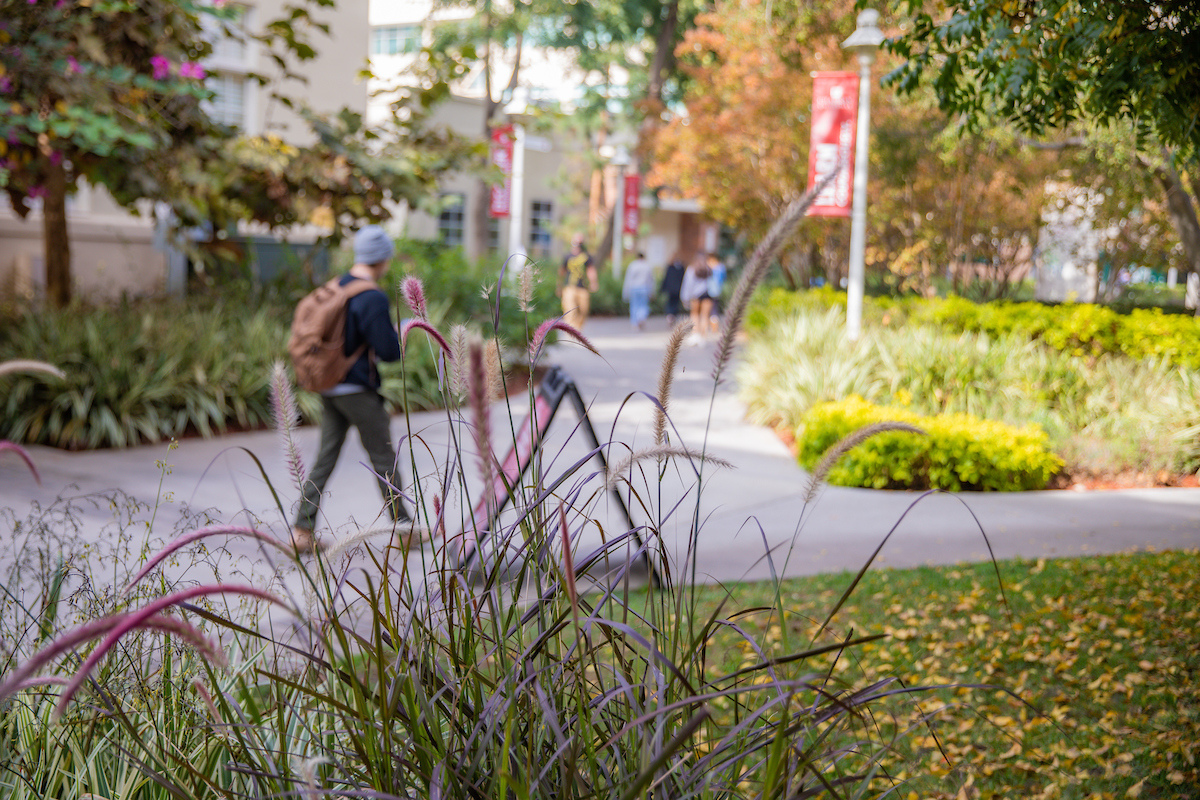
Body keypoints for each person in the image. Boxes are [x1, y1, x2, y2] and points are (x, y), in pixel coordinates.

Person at [291, 225, 409, 553]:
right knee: (384, 456)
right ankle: (405, 529)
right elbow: (388, 351)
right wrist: (397, 333)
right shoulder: (371, 296)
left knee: (325, 457)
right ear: (383, 258)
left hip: (329, 385)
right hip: (357, 389)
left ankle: (302, 530)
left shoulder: (338, 286)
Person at [557, 234, 599, 330]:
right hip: (569, 287)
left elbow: (590, 270)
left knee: (583, 310)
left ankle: (578, 330)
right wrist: (559, 285)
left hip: (582, 288)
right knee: (570, 309)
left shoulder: (586, 256)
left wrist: (593, 282)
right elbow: (562, 271)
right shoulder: (567, 256)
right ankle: (570, 329)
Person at [680, 253, 714, 345]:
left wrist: (685, 297)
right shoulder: (709, 269)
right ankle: (703, 337)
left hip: (695, 296)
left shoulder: (691, 269)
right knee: (705, 316)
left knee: (694, 315)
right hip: (707, 295)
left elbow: (687, 284)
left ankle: (695, 335)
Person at [621, 251, 656, 330]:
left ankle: (634, 323)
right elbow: (651, 280)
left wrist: (625, 292)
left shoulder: (632, 265)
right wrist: (652, 291)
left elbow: (628, 279)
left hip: (634, 288)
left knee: (634, 306)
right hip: (644, 288)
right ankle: (641, 318)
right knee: (643, 305)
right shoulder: (647, 266)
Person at [659, 253, 686, 326]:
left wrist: (662, 289)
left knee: (670, 303)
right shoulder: (681, 268)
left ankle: (670, 316)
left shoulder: (670, 267)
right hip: (677, 289)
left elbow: (666, 279)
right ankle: (672, 316)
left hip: (671, 289)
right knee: (675, 303)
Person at [706, 252, 727, 329]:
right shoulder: (721, 267)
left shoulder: (713, 268)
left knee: (711, 308)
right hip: (717, 290)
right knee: (714, 308)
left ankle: (713, 325)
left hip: (711, 290)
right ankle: (713, 324)